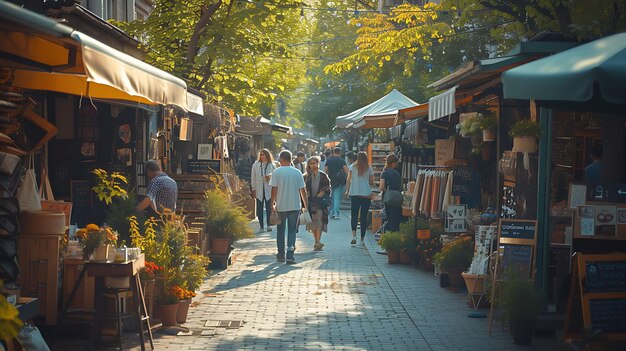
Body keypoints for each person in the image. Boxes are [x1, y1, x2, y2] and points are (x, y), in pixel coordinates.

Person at [270, 150, 307, 264]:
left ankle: (281, 254)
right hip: (295, 205)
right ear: (291, 159)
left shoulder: (276, 172)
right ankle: (290, 254)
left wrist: (272, 204)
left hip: (281, 206)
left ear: (281, 159)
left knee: (280, 230)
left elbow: (274, 189)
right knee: (292, 230)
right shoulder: (297, 173)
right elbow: (302, 190)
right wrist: (306, 204)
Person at [346, 152, 374, 246]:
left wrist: (347, 190)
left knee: (354, 215)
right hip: (366, 194)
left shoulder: (352, 167)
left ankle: (354, 236)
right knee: (363, 216)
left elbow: (348, 180)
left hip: (354, 193)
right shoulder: (369, 167)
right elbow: (371, 182)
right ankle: (362, 239)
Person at [304, 156, 331, 251]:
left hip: (320, 202)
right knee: (312, 223)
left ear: (318, 163)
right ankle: (316, 241)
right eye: (310, 163)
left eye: (314, 163)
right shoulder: (306, 176)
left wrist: (321, 193)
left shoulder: (323, 175)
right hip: (310, 202)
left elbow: (327, 187)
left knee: (319, 222)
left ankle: (318, 241)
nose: (312, 165)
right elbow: (303, 189)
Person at [251, 149, 276, 233]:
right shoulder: (256, 165)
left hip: (268, 189)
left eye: (264, 154)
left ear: (267, 155)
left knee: (269, 207)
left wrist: (269, 176)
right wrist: (253, 188)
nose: (263, 156)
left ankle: (269, 224)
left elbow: (275, 176)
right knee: (259, 209)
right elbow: (253, 177)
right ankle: (261, 225)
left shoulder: (272, 165)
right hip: (259, 189)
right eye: (261, 155)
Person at [379, 154, 402, 232]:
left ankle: (389, 233)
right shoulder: (397, 173)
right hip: (397, 198)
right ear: (393, 163)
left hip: (388, 198)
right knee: (395, 217)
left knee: (389, 216)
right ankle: (395, 233)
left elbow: (381, 187)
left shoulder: (385, 173)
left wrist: (386, 190)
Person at [325, 147, 349, 219]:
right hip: (339, 182)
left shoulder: (328, 160)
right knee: (337, 198)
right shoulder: (342, 161)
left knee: (331, 197)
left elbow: (325, 171)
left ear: (333, 152)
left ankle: (332, 212)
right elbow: (346, 171)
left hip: (330, 181)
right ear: (340, 152)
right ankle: (336, 213)